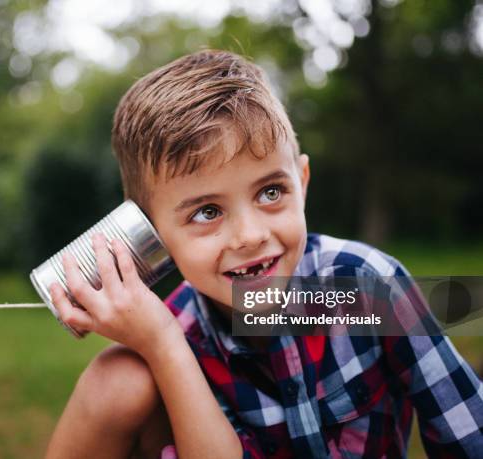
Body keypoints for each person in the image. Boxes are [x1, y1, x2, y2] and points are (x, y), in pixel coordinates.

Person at [44, 50, 483, 458]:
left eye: (271, 192)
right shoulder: (181, 332)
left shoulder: (367, 287)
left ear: (303, 183)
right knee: (118, 377)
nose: (250, 235)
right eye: (207, 212)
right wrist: (164, 345)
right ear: (151, 233)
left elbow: (469, 434)